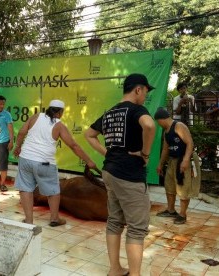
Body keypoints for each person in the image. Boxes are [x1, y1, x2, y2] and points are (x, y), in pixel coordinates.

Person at [84, 73, 156, 276]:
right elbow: (150, 126)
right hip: (129, 174)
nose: (145, 97)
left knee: (115, 221)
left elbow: (88, 134)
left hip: (110, 171)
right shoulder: (136, 110)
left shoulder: (110, 112)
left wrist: (107, 152)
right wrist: (145, 153)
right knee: (136, 228)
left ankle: (115, 269)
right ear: (138, 89)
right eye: (145, 92)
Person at [14, 99, 98, 226]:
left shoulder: (36, 116)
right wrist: (89, 161)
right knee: (53, 191)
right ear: (60, 112)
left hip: (25, 159)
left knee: (25, 189)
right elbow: (73, 146)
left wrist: (18, 147)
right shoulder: (59, 125)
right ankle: (54, 219)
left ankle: (29, 220)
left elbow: (21, 132)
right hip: (44, 163)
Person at [155, 107, 200, 225]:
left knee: (183, 187)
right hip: (173, 160)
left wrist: (185, 160)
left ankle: (183, 214)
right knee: (169, 185)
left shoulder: (179, 126)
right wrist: (160, 164)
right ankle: (170, 210)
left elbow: (190, 143)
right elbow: (165, 149)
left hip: (184, 159)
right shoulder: (166, 130)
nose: (158, 124)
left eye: (158, 122)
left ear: (161, 119)